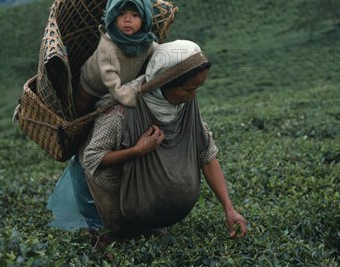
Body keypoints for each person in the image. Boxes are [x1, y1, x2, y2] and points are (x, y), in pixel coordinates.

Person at [48, 40, 247, 246]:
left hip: (148, 204)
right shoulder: (121, 113)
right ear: (162, 83)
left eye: (197, 89)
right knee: (117, 244)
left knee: (149, 242)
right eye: (188, 90)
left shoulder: (184, 107)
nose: (192, 96)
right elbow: (92, 158)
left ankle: (147, 224)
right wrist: (137, 150)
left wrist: (229, 210)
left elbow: (206, 155)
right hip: (113, 197)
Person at [75, 0, 158, 116]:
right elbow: (110, 78)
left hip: (122, 81)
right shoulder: (109, 45)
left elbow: (158, 52)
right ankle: (76, 127)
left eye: (135, 15)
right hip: (93, 82)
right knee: (82, 105)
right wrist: (128, 97)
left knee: (102, 112)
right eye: (121, 14)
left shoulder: (145, 41)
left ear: (144, 20)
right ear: (113, 16)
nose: (127, 19)